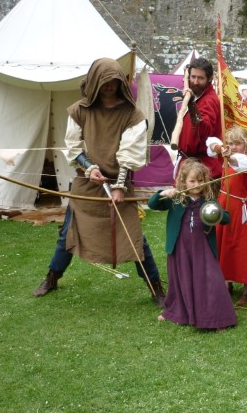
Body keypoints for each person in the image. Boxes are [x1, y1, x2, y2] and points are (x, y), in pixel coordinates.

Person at [32, 58, 165, 306]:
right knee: (68, 234)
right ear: (94, 82)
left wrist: (119, 186)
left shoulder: (132, 115)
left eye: (114, 82)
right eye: (104, 82)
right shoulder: (79, 110)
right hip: (86, 183)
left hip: (119, 185)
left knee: (134, 238)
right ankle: (52, 278)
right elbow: (73, 146)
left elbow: (130, 153)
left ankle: (156, 288)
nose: (109, 86)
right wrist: (89, 167)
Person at [148, 159, 237, 330]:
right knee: (181, 280)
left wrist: (216, 212)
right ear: (183, 181)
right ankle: (177, 312)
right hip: (180, 248)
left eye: (201, 180)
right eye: (192, 181)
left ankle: (217, 318)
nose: (197, 184)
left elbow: (225, 218)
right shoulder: (176, 198)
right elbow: (153, 204)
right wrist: (163, 193)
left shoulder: (208, 199)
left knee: (210, 281)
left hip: (202, 248)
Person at [208, 126, 247, 306]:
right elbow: (209, 143)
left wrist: (227, 154)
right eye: (230, 143)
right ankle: (227, 283)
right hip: (224, 206)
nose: (232, 146)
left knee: (243, 247)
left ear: (245, 145)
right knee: (223, 243)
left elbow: (239, 162)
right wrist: (219, 148)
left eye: (237, 144)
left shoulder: (246, 160)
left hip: (240, 211)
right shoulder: (226, 155)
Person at [176, 57, 223, 187]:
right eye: (193, 77)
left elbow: (205, 130)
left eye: (200, 78)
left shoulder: (209, 100)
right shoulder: (196, 97)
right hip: (189, 164)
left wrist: (191, 105)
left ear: (209, 79)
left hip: (202, 169)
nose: (195, 82)